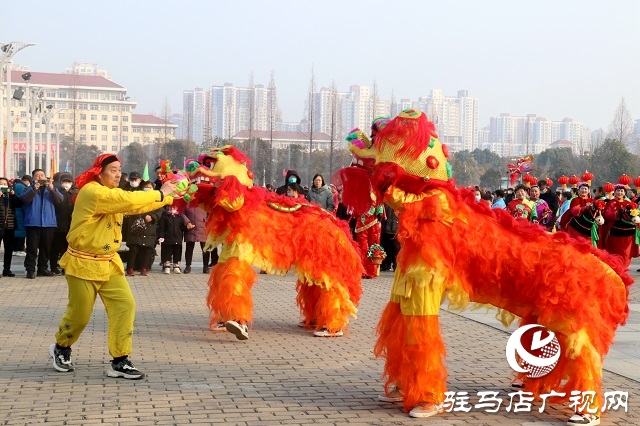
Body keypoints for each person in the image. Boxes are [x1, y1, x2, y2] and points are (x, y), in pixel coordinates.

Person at [49, 153, 175, 378]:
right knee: (80, 315)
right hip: (83, 261)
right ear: (99, 172)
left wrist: (168, 196)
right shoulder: (92, 192)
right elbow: (127, 201)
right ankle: (61, 347)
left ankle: (120, 360)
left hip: (109, 262)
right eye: (113, 170)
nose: (118, 174)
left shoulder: (110, 194)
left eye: (119, 170)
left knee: (125, 306)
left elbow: (132, 207)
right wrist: (160, 193)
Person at [20, 169, 63, 279]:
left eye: (42, 175)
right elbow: (24, 199)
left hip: (48, 223)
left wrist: (52, 189)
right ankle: (30, 270)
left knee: (46, 248)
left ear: (46, 177)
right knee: (32, 249)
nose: (40, 177)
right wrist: (34, 189)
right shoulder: (29, 188)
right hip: (33, 223)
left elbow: (59, 201)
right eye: (37, 175)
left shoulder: (52, 189)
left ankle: (42, 269)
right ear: (33, 178)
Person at [125, 180, 163, 277]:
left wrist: (152, 217)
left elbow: (160, 211)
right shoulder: (138, 197)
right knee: (134, 249)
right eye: (146, 187)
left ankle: (144, 268)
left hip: (150, 228)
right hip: (138, 227)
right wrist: (143, 216)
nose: (148, 189)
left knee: (147, 250)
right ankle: (130, 268)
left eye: (150, 187)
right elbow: (133, 208)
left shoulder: (157, 200)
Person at [602, 184, 638, 267]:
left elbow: (634, 214)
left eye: (622, 191)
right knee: (615, 252)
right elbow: (606, 215)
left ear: (625, 193)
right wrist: (618, 213)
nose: (620, 192)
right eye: (618, 191)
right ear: (614, 192)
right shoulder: (610, 203)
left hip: (628, 233)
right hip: (615, 232)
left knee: (626, 252)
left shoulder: (629, 203)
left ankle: (624, 267)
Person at [50, 173, 77, 275]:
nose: (66, 184)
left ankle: (65, 267)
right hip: (57, 225)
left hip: (70, 225)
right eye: (64, 181)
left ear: (72, 183)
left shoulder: (75, 194)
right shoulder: (56, 192)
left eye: (68, 182)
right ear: (60, 182)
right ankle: (53, 267)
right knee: (55, 248)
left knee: (67, 249)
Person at [182, 204, 215, 274]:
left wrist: (207, 221)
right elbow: (182, 213)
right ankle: (188, 266)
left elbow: (211, 213)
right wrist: (187, 222)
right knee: (189, 248)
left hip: (203, 228)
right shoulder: (187, 202)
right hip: (191, 228)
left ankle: (205, 266)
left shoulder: (204, 202)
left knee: (205, 248)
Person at [0, 177, 20, 277]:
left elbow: (19, 204)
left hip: (10, 226)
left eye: (5, 184)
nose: (3, 185)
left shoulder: (10, 196)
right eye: (1, 184)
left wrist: (13, 195)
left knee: (9, 249)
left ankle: (7, 269)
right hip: (0, 226)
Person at [157, 204, 186, 274]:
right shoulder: (165, 216)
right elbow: (162, 228)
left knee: (177, 252)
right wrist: (161, 236)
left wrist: (187, 227)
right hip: (168, 238)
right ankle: (167, 266)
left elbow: (182, 227)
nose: (173, 209)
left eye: (174, 207)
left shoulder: (179, 217)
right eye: (171, 207)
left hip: (177, 238)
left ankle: (176, 265)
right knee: (168, 252)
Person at [11, 175, 31, 257]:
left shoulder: (17, 185)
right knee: (20, 231)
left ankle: (16, 249)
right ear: (26, 180)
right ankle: (18, 249)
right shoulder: (21, 186)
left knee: (18, 230)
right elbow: (23, 198)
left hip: (17, 211)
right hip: (20, 211)